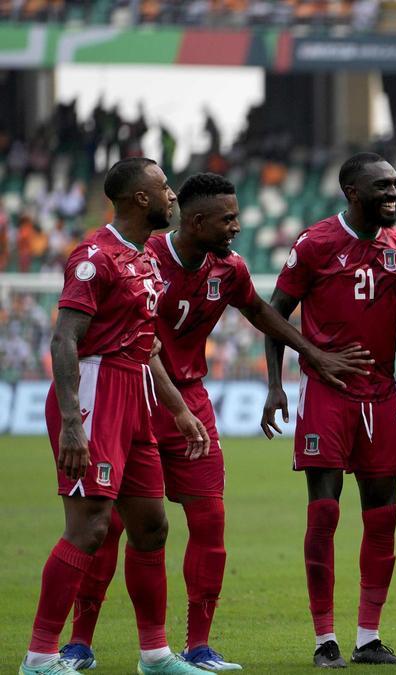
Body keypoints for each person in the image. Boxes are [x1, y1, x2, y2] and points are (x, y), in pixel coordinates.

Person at [57, 173, 372, 672]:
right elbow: (131, 339)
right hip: (133, 394)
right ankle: (78, 644)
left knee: (210, 521)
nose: (237, 227)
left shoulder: (229, 268)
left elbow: (261, 312)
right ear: (197, 220)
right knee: (111, 524)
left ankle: (198, 647)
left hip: (193, 399)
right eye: (227, 219)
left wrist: (305, 359)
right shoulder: (145, 259)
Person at [22, 157, 212, 675]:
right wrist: (71, 422)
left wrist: (177, 411)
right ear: (140, 199)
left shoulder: (146, 257)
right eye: (165, 187)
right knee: (90, 527)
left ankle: (154, 656)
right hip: (94, 391)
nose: (173, 196)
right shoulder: (94, 256)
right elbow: (64, 339)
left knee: (151, 526)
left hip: (136, 398)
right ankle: (40, 657)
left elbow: (147, 348)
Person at [260, 152, 396, 668]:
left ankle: (367, 639)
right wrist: (276, 384)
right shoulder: (316, 244)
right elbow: (274, 315)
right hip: (326, 394)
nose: (393, 194)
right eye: (382, 187)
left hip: (380, 396)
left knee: (382, 516)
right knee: (324, 511)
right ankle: (325, 642)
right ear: (352, 192)